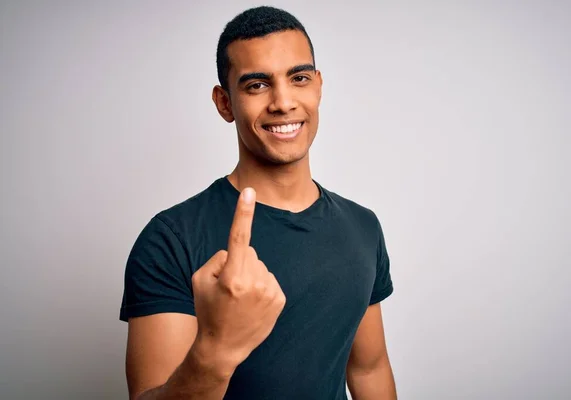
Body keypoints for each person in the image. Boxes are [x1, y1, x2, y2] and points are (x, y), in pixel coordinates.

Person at [120, 6, 396, 400]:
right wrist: (217, 351)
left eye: (298, 78)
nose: (283, 102)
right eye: (257, 85)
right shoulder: (170, 239)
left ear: (318, 86)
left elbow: (369, 369)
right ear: (225, 103)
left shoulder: (363, 226)